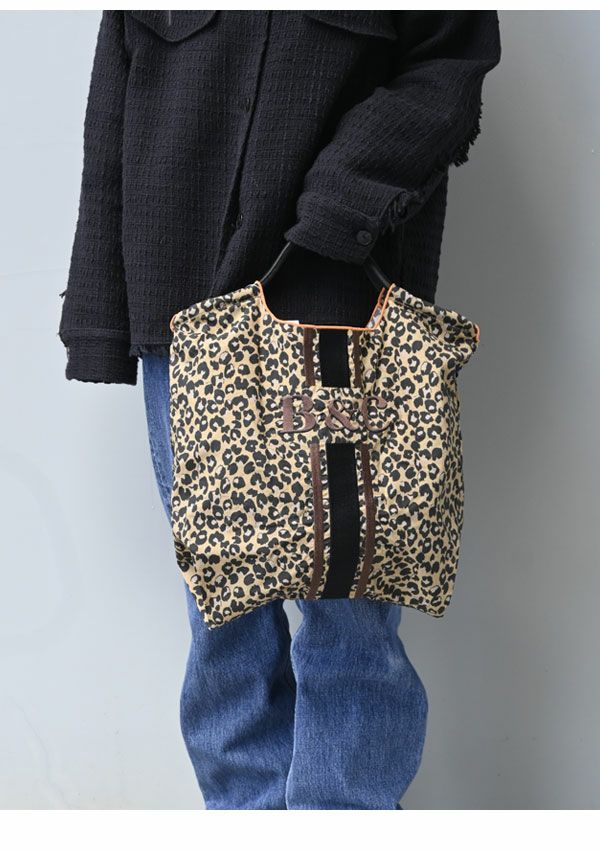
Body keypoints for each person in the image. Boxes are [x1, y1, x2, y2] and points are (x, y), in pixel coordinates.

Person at [59, 11, 500, 809]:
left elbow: (449, 64)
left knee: (350, 610)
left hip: (343, 306)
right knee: (221, 610)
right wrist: (101, 317)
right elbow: (113, 112)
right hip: (184, 311)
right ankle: (245, 815)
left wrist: (338, 207)